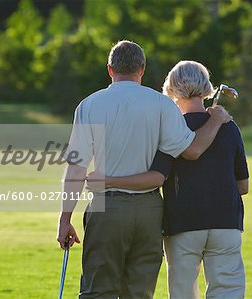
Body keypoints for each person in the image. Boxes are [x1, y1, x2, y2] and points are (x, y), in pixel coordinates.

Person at [57, 41, 232, 298]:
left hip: (107, 209)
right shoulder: (162, 105)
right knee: (140, 293)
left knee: (97, 291)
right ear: (142, 69)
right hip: (150, 211)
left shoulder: (89, 105)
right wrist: (216, 118)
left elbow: (75, 169)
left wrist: (64, 220)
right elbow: (193, 151)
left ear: (109, 70)